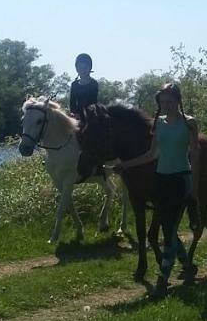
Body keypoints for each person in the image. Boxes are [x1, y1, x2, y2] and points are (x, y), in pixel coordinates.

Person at [113, 82, 199, 296]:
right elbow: (151, 155)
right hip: (161, 180)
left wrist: (194, 185)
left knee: (169, 231)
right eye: (162, 102)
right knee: (168, 229)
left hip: (181, 180)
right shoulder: (158, 124)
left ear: (178, 101)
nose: (166, 105)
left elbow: (195, 154)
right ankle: (188, 267)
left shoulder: (189, 124)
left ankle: (163, 278)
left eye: (170, 101)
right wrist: (126, 165)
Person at [68, 53, 100, 118]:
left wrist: (85, 114)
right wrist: (74, 113)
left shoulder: (94, 83)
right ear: (77, 69)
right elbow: (72, 103)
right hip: (76, 116)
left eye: (85, 67)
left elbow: (93, 102)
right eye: (80, 67)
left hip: (90, 116)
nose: (83, 70)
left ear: (89, 68)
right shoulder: (74, 84)